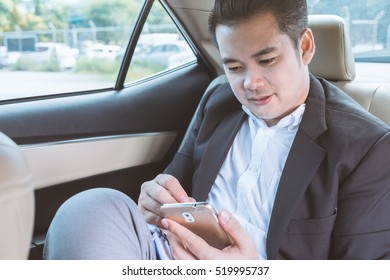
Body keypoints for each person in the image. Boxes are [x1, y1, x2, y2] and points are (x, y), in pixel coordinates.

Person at [44, 0, 390, 260]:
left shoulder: (367, 147)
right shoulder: (219, 99)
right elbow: (173, 186)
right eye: (235, 66)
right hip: (168, 254)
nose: (250, 83)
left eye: (267, 60)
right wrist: (155, 198)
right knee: (92, 207)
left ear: (305, 47)